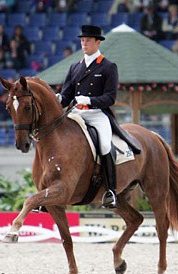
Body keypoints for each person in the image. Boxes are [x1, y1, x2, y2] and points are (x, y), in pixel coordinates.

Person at [58, 25, 118, 208]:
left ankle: (110, 191)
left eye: (88, 40)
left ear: (97, 42)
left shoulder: (108, 66)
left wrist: (90, 100)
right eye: (82, 40)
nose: (84, 43)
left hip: (97, 114)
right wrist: (57, 99)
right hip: (76, 114)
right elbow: (66, 96)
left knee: (106, 145)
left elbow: (110, 98)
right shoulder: (75, 67)